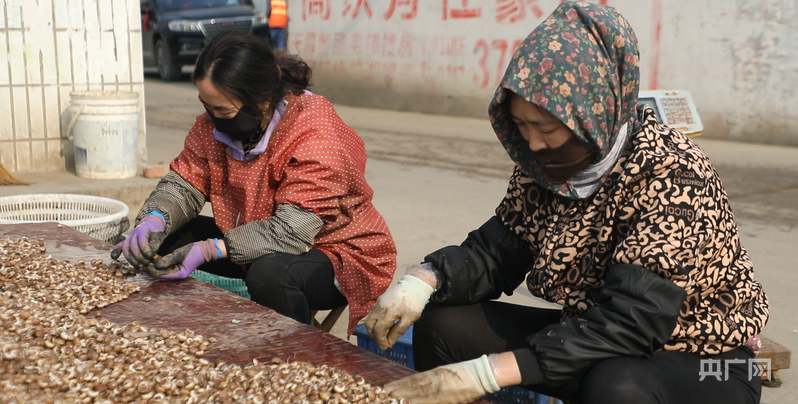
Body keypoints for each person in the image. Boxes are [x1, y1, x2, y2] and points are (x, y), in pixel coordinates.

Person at [363, 2, 768, 404]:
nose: (534, 143)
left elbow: (634, 322)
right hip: (592, 339)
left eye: (545, 127)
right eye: (521, 126)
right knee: (442, 322)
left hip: (703, 359)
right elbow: (497, 253)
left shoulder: (673, 173)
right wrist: (423, 280)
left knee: (617, 384)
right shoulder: (545, 166)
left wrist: (488, 372)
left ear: (592, 113)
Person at [112, 30, 397, 336]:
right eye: (208, 107)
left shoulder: (315, 131)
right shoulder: (212, 126)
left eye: (223, 110)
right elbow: (184, 183)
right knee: (160, 240)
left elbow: (291, 231)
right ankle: (167, 334)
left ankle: (301, 359)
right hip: (250, 237)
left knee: (270, 275)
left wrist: (209, 250)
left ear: (261, 99)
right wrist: (156, 218)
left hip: (336, 253)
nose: (212, 117)